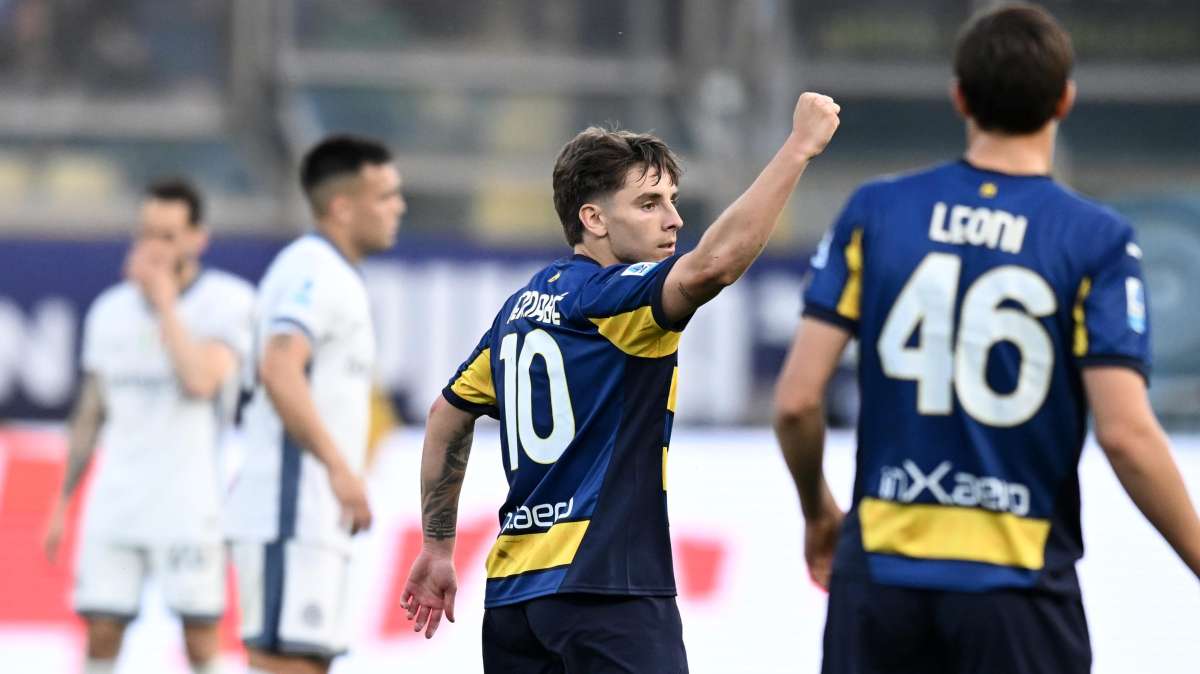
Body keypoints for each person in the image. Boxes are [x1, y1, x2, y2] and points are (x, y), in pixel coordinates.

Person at [772, 5, 1200, 674]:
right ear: (1064, 100)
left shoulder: (877, 210)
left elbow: (797, 401)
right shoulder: (1097, 239)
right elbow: (1125, 436)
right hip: (1016, 585)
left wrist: (818, 512)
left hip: (880, 579)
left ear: (960, 98)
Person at [400, 93, 840, 671]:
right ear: (594, 219)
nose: (674, 219)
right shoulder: (614, 302)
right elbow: (715, 264)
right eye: (649, 203)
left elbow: (446, 415)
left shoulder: (520, 310)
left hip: (514, 601)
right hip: (606, 589)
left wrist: (437, 548)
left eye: (672, 200)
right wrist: (798, 148)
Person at [43, 178, 255, 674]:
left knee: (199, 636)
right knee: (101, 630)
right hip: (116, 502)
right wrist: (62, 499)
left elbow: (201, 380)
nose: (154, 247)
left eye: (168, 235)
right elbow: (91, 412)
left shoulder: (228, 301)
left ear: (198, 238)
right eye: (146, 234)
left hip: (189, 504)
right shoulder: (109, 310)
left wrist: (164, 304)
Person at [225, 134, 405, 674]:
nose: (398, 207)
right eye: (385, 195)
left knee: (306, 662)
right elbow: (280, 366)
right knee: (287, 664)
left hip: (313, 516)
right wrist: (338, 468)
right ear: (342, 206)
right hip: (290, 510)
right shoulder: (311, 269)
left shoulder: (337, 274)